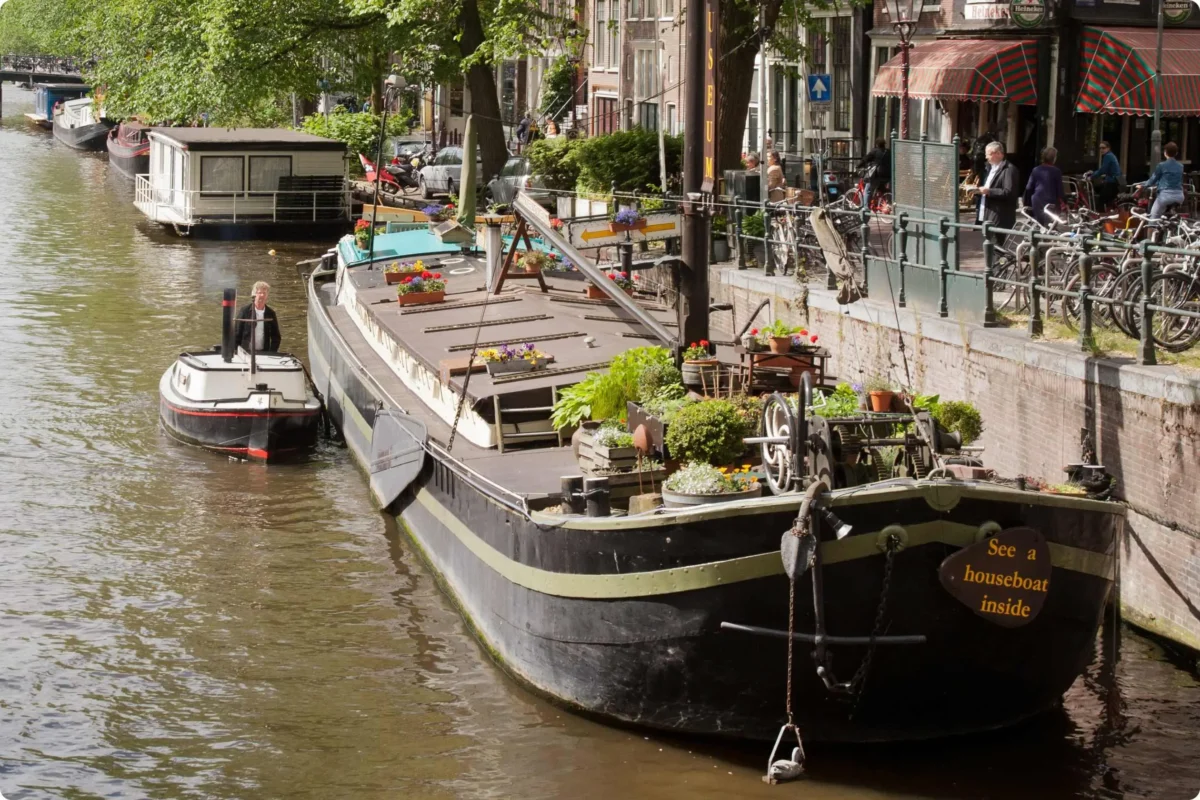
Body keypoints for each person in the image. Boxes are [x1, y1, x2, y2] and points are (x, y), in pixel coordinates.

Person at [975, 141, 1020, 243]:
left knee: (996, 247)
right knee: (989, 246)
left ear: (999, 154)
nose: (986, 157)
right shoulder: (990, 168)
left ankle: (1000, 259)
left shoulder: (1009, 170)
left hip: (999, 216)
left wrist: (989, 191)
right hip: (988, 214)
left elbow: (1008, 192)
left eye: (989, 154)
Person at [1138, 141, 1186, 219]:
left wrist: (1143, 186)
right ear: (1176, 153)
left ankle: (1152, 228)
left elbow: (1153, 179)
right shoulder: (1181, 166)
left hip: (1165, 196)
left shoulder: (1162, 165)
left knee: (1153, 218)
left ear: (1165, 152)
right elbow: (1173, 179)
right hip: (1179, 196)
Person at [1023, 146, 1066, 227]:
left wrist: (1027, 201)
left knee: (1038, 225)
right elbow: (1060, 191)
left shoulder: (1036, 170)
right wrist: (1065, 202)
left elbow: (1028, 187)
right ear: (1054, 158)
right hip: (1051, 203)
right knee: (1050, 226)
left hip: (1037, 201)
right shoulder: (1057, 171)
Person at [235, 281, 281, 354]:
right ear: (254, 295)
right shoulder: (245, 311)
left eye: (264, 293)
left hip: (264, 352)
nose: (262, 295)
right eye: (259, 293)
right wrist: (236, 352)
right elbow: (237, 333)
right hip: (246, 352)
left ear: (267, 295)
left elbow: (276, 337)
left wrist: (271, 353)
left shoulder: (271, 313)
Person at [1093, 141, 1122, 210]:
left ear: (1108, 148)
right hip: (1115, 181)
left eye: (1103, 148)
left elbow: (1103, 169)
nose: (1101, 150)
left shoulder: (1108, 156)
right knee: (1105, 196)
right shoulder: (1111, 155)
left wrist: (1092, 176)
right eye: (1100, 148)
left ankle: (1101, 218)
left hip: (1112, 182)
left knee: (1101, 201)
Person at [861, 138, 891, 203]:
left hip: (877, 175)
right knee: (881, 188)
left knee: (867, 190)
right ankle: (884, 201)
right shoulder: (889, 152)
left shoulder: (874, 151)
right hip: (888, 176)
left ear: (877, 144)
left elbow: (865, 159)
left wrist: (858, 166)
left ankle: (865, 207)